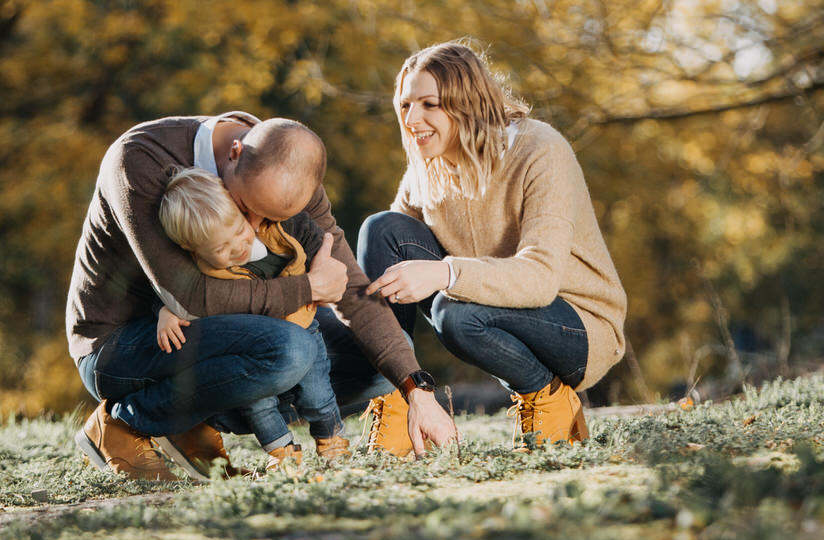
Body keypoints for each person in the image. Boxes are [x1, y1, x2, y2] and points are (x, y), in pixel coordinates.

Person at [66, 113, 457, 481]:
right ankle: (124, 422)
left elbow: (353, 290)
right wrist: (306, 288)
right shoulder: (140, 158)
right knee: (290, 350)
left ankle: (193, 415)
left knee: (384, 355)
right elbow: (190, 296)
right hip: (124, 343)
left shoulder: (289, 173)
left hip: (231, 331)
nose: (253, 233)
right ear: (234, 154)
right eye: (247, 209)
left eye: (270, 219)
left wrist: (415, 389)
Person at [358, 41, 627, 446]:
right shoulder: (426, 169)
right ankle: (400, 400)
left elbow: (539, 278)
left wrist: (446, 272)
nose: (412, 119)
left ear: (466, 103)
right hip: (481, 305)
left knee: (456, 314)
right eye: (406, 105)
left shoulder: (540, 150)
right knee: (380, 229)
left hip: (577, 324)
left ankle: (548, 398)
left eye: (429, 104)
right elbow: (388, 254)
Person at [155, 167, 348, 468]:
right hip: (252, 351)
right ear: (191, 249)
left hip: (302, 327)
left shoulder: (276, 234)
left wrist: (322, 268)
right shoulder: (203, 274)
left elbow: (316, 248)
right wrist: (167, 312)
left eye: (238, 231)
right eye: (221, 248)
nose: (238, 248)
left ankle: (331, 440)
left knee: (317, 396)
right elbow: (185, 298)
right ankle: (283, 454)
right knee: (259, 406)